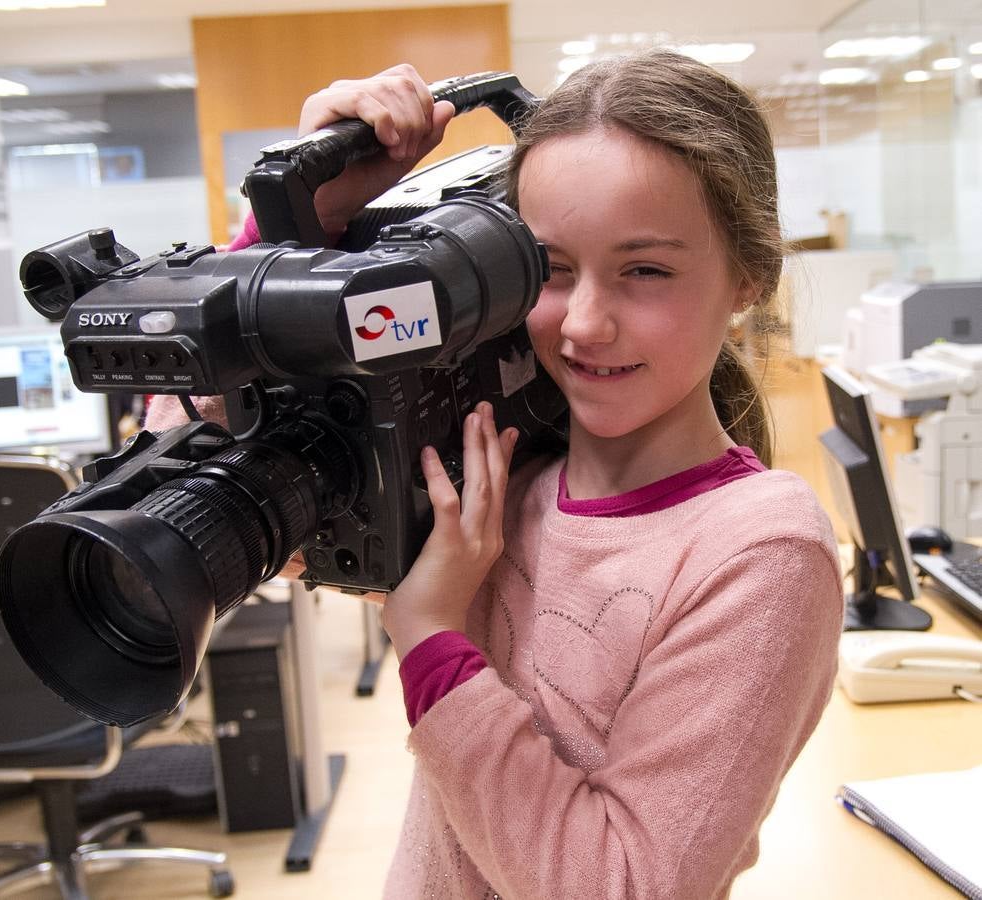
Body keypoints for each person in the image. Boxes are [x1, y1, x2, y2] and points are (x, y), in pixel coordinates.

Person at [149, 54, 844, 899]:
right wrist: (298, 233)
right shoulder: (492, 475)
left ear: (749, 277)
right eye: (549, 270)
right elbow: (188, 463)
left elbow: (622, 885)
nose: (585, 323)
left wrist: (433, 636)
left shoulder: (761, 552)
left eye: (646, 270)